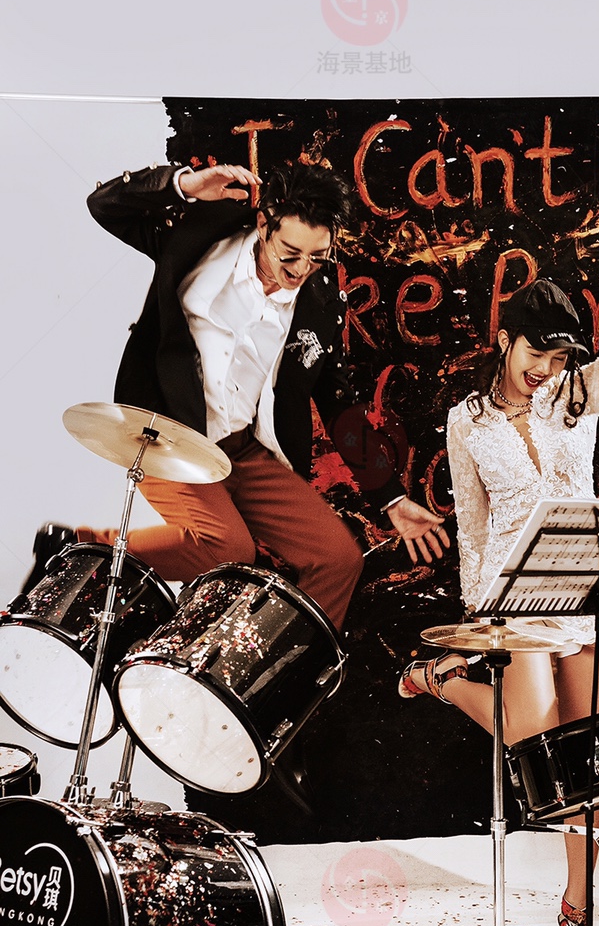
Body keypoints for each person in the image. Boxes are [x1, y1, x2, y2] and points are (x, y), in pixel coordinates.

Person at [398, 162, 599, 926]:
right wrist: (480, 621)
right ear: (506, 338)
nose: (545, 369)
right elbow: (472, 525)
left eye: (558, 358)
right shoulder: (467, 421)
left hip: (585, 590)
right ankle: (444, 680)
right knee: (535, 744)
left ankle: (575, 908)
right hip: (513, 597)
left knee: (589, 763)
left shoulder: (578, 397)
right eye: (536, 352)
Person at [23, 161, 448, 631]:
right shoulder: (200, 236)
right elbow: (105, 206)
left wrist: (390, 498)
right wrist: (183, 185)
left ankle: (279, 662)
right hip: (167, 436)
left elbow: (337, 403)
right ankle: (76, 548)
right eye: (290, 254)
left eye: (317, 257)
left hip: (244, 450)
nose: (301, 270)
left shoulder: (321, 300)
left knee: (337, 558)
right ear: (264, 224)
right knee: (228, 547)